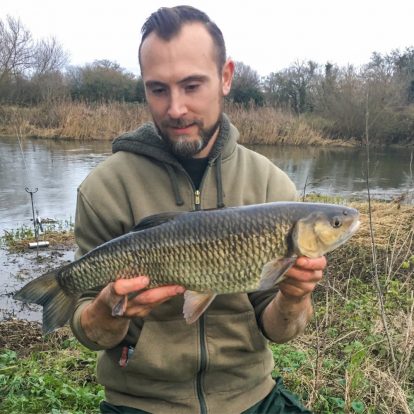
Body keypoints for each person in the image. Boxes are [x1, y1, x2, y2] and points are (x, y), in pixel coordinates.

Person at [70, 5, 326, 414]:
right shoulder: (105, 188)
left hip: (251, 397)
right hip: (141, 403)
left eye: (192, 86)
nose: (175, 109)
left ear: (225, 78)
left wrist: (294, 299)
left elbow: (279, 330)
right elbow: (89, 331)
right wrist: (106, 312)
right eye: (158, 89)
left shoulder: (271, 186)